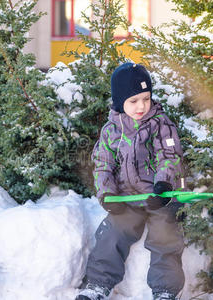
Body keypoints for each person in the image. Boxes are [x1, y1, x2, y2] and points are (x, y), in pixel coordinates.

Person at [76, 63, 186, 300]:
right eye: (133, 100)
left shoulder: (160, 124)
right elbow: (103, 164)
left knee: (165, 235)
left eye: (146, 99)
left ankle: (165, 290)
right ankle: (97, 284)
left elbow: (169, 156)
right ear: (119, 101)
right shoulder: (111, 131)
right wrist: (107, 195)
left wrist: (163, 186)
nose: (141, 106)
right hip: (128, 197)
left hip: (160, 196)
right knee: (111, 233)